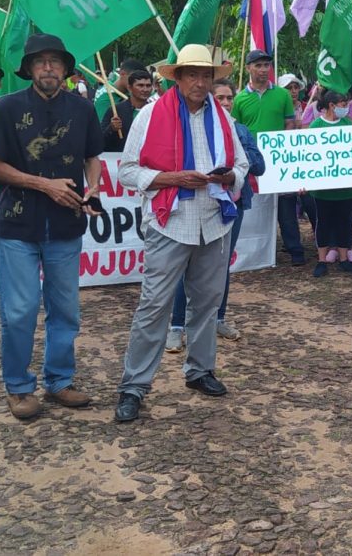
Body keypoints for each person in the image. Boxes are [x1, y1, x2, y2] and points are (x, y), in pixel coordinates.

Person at [114, 45, 249, 422]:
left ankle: (200, 370)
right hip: (169, 221)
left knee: (207, 302)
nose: (200, 82)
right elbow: (126, 171)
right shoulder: (150, 115)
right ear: (177, 77)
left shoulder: (222, 116)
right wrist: (172, 178)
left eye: (206, 75)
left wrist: (230, 177)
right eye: (193, 74)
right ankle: (134, 386)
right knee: (154, 305)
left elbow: (242, 163)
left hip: (214, 220)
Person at [0, 34, 104, 420]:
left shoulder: (83, 109)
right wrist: (44, 184)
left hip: (67, 224)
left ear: (66, 69)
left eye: (55, 61)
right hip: (18, 223)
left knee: (65, 309)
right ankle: (18, 387)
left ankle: (59, 381)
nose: (48, 67)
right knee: (19, 309)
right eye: (40, 61)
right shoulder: (6, 107)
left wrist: (95, 189)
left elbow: (92, 157)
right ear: (29, 68)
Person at [167, 78, 264, 349]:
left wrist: (236, 152)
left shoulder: (241, 130)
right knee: (184, 267)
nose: (224, 103)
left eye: (228, 98)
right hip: (195, 205)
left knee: (220, 267)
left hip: (232, 206)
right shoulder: (191, 126)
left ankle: (217, 319)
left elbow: (259, 166)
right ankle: (176, 325)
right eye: (219, 97)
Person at [233, 50, 305, 265]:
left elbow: (289, 123)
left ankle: (295, 250)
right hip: (251, 162)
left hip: (278, 159)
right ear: (248, 68)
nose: (263, 70)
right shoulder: (240, 99)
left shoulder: (282, 95)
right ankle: (255, 252)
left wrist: (283, 149)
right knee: (254, 204)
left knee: (285, 204)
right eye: (258, 66)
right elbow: (237, 128)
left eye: (267, 65)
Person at [307, 90, 352, 277]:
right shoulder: (316, 126)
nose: (346, 107)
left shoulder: (349, 124)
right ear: (332, 105)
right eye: (343, 104)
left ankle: (344, 259)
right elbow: (307, 156)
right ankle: (322, 261)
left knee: (345, 223)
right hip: (322, 191)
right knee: (322, 223)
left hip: (346, 190)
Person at [100, 69, 152, 152]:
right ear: (130, 88)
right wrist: (111, 129)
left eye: (148, 86)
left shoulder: (156, 110)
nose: (145, 89)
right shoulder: (115, 111)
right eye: (140, 85)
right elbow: (99, 142)